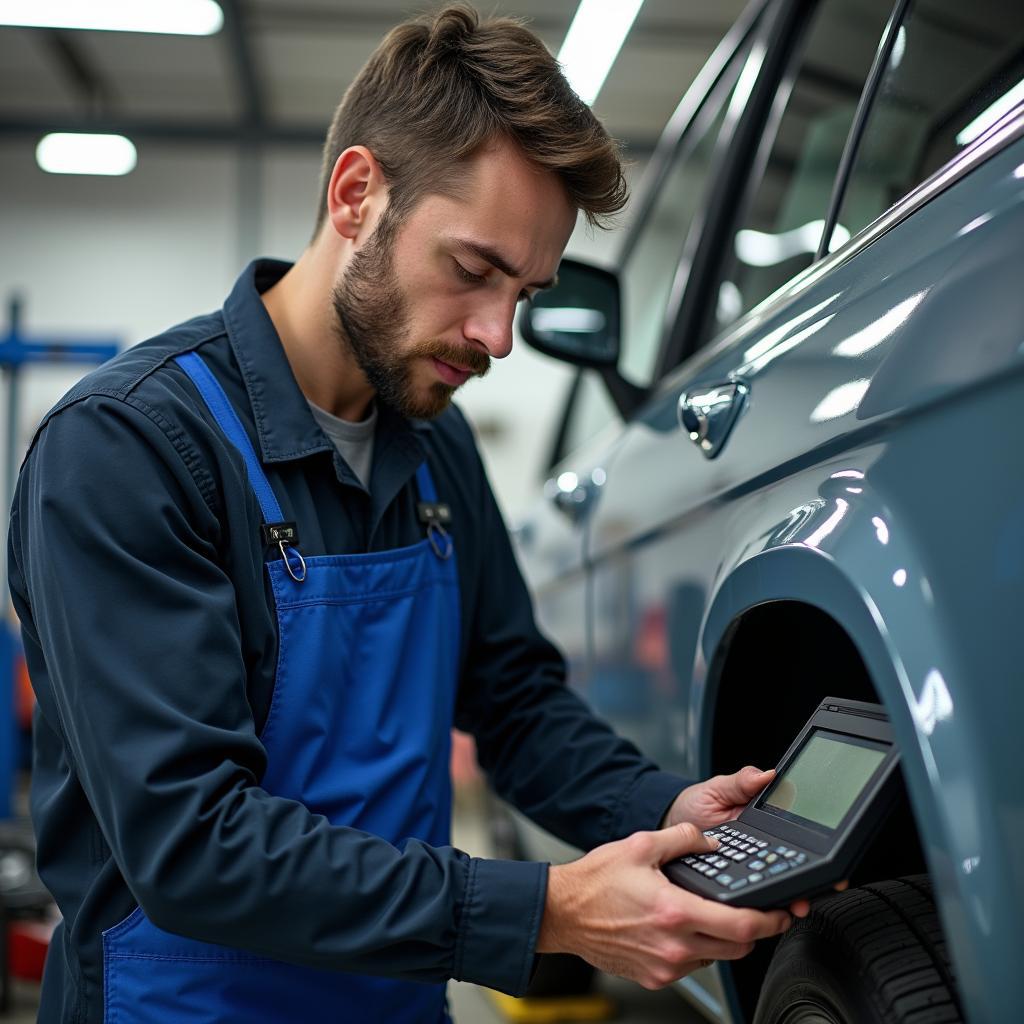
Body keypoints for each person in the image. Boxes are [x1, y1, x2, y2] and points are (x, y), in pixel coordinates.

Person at [6, 6, 810, 1023]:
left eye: (525, 291)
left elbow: (513, 701)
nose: (497, 335)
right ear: (356, 196)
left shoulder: (435, 448)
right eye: (473, 270)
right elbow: (192, 845)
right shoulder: (129, 447)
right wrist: (548, 910)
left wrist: (661, 809)